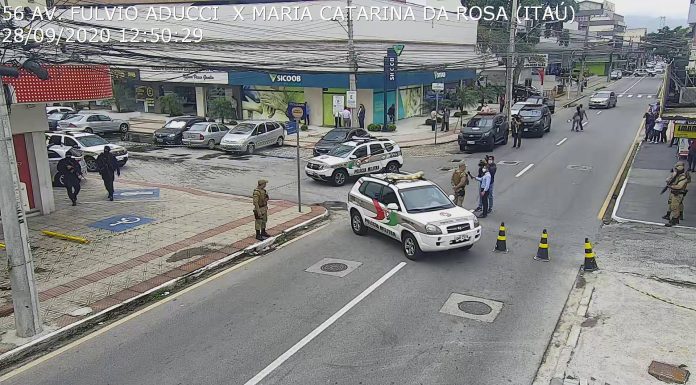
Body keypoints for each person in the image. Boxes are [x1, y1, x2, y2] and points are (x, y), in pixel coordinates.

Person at [664, 162, 689, 227]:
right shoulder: (676, 175)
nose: (676, 171)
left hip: (678, 193)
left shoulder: (683, 177)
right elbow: (668, 179)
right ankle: (675, 218)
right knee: (672, 205)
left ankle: (674, 220)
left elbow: (679, 186)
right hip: (673, 192)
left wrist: (672, 186)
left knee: (675, 207)